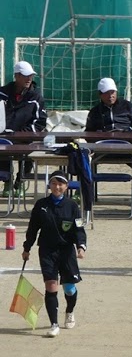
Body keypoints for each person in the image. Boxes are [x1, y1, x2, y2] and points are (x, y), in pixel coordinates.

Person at [21, 171, 86, 338]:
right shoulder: (41, 205)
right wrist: (27, 248)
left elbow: (78, 229)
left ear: (66, 186)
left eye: (61, 184)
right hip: (47, 250)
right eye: (54, 183)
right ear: (49, 185)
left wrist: (81, 246)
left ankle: (69, 311)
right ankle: (54, 324)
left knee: (70, 288)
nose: (57, 187)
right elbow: (33, 228)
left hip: (66, 251)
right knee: (51, 285)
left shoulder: (72, 206)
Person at [0, 61, 47, 196]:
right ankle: (7, 181)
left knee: (30, 148)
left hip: (26, 137)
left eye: (30, 75)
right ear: (16, 76)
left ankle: (21, 181)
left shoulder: (36, 97)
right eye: (25, 75)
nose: (29, 79)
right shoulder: (2, 94)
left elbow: (40, 121)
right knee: (2, 146)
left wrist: (25, 133)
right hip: (4, 135)